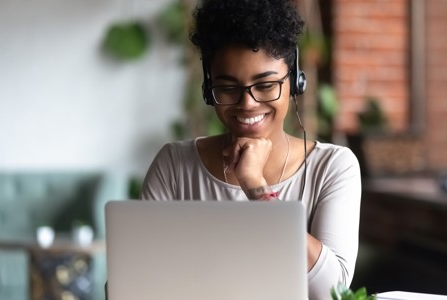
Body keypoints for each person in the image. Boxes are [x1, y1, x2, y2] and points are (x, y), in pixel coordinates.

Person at [140, 0, 361, 299]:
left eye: (266, 85)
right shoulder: (175, 165)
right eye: (228, 88)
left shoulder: (333, 166)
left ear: (294, 82)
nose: (247, 103)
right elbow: (138, 281)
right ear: (209, 89)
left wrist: (256, 187)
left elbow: (333, 291)